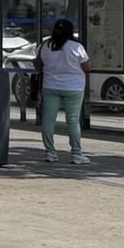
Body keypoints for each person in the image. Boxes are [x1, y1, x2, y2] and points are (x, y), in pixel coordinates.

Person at [35, 17, 92, 163]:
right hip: (73, 87)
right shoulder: (76, 46)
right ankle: (76, 154)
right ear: (70, 31)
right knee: (73, 121)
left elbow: (37, 64)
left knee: (48, 120)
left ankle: (50, 153)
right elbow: (87, 67)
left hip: (50, 86)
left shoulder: (45, 45)